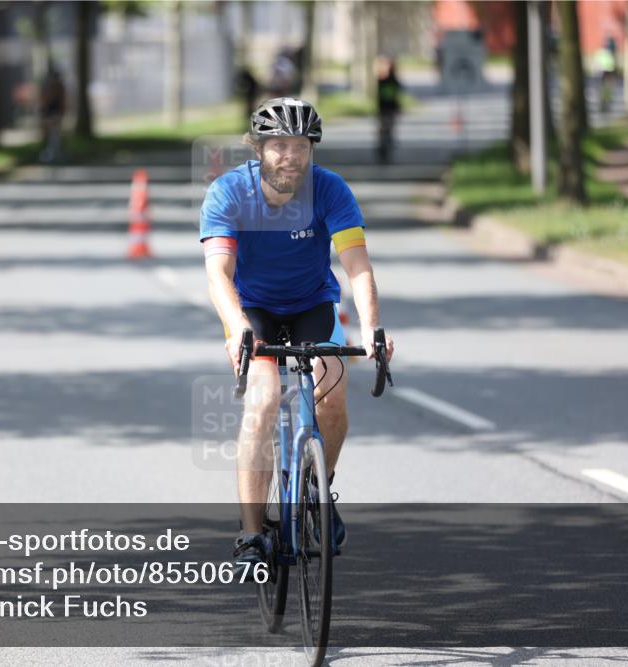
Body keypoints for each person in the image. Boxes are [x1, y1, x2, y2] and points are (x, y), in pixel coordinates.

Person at [199, 98, 395, 578]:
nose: (291, 156)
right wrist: (239, 328)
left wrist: (372, 328)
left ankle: (318, 492)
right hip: (253, 312)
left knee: (333, 397)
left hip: (312, 304)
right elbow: (217, 274)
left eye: (301, 146)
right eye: (279, 146)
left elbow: (357, 267)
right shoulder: (229, 193)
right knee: (263, 401)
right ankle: (250, 534)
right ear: (259, 148)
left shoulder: (329, 191)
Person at [375, 55, 403, 163]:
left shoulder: (393, 81)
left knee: (388, 129)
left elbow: (397, 94)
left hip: (390, 109)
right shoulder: (380, 81)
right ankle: (383, 148)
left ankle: (386, 146)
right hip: (383, 110)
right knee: (384, 130)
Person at [39, 65, 67, 163]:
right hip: (52, 112)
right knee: (54, 134)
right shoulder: (55, 86)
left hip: (52, 112)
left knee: (54, 134)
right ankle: (52, 153)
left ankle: (53, 153)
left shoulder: (50, 86)